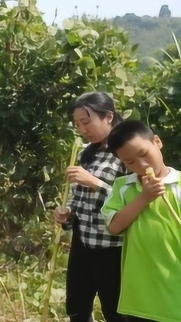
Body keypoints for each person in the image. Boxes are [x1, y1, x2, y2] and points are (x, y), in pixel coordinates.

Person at [53, 92, 128, 322]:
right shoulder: (87, 152)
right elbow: (79, 199)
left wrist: (94, 182)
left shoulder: (125, 151)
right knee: (76, 306)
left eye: (86, 122)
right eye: (77, 124)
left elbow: (131, 199)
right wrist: (68, 214)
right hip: (83, 242)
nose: (82, 129)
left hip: (112, 246)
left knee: (115, 310)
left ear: (108, 117)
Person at [101, 120, 181, 322]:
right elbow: (114, 226)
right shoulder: (123, 187)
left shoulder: (178, 185)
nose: (142, 165)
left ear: (157, 142)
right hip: (140, 297)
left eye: (144, 154)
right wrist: (144, 197)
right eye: (130, 162)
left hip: (175, 291)